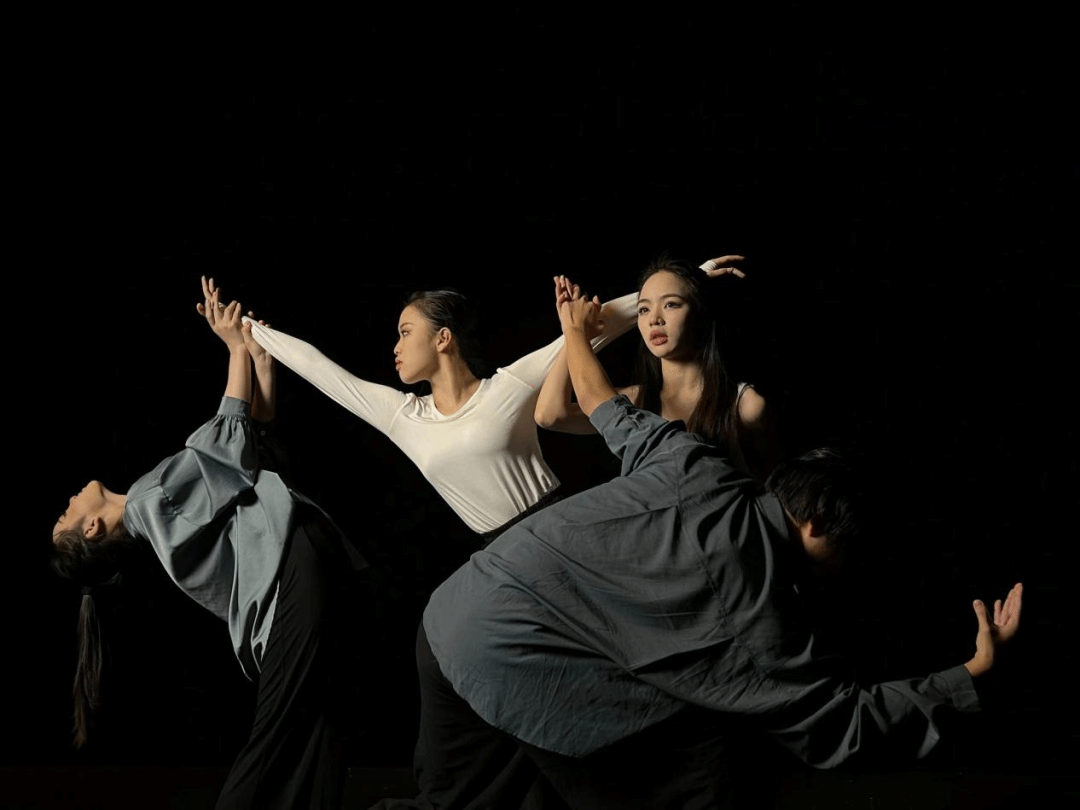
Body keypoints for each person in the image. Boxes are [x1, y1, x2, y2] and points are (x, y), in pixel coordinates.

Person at [373, 292, 1023, 809]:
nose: (843, 567)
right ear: (819, 522)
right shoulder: (757, 617)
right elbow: (842, 723)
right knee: (703, 765)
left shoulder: (688, 457)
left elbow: (601, 404)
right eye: (847, 550)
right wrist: (970, 673)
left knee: (454, 802)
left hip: (446, 618)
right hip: (507, 652)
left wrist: (574, 332)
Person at [50, 277, 369, 809]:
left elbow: (249, 448)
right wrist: (235, 348)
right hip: (295, 573)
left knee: (315, 731)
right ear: (90, 530)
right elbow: (225, 448)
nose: (66, 502)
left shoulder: (150, 505)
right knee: (286, 738)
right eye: (65, 516)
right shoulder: (147, 505)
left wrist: (259, 363)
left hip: (303, 557)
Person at [243, 286, 639, 542]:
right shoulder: (402, 416)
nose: (395, 347)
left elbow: (592, 330)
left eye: (405, 332)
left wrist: (664, 292)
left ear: (443, 338)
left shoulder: (507, 387)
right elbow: (320, 370)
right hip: (500, 551)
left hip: (561, 526)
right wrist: (249, 330)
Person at [535, 254, 781, 483]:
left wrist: (575, 329)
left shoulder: (744, 405)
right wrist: (574, 330)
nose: (654, 319)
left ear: (701, 314)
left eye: (671, 304)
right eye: (643, 309)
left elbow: (774, 487)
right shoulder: (635, 402)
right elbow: (550, 414)